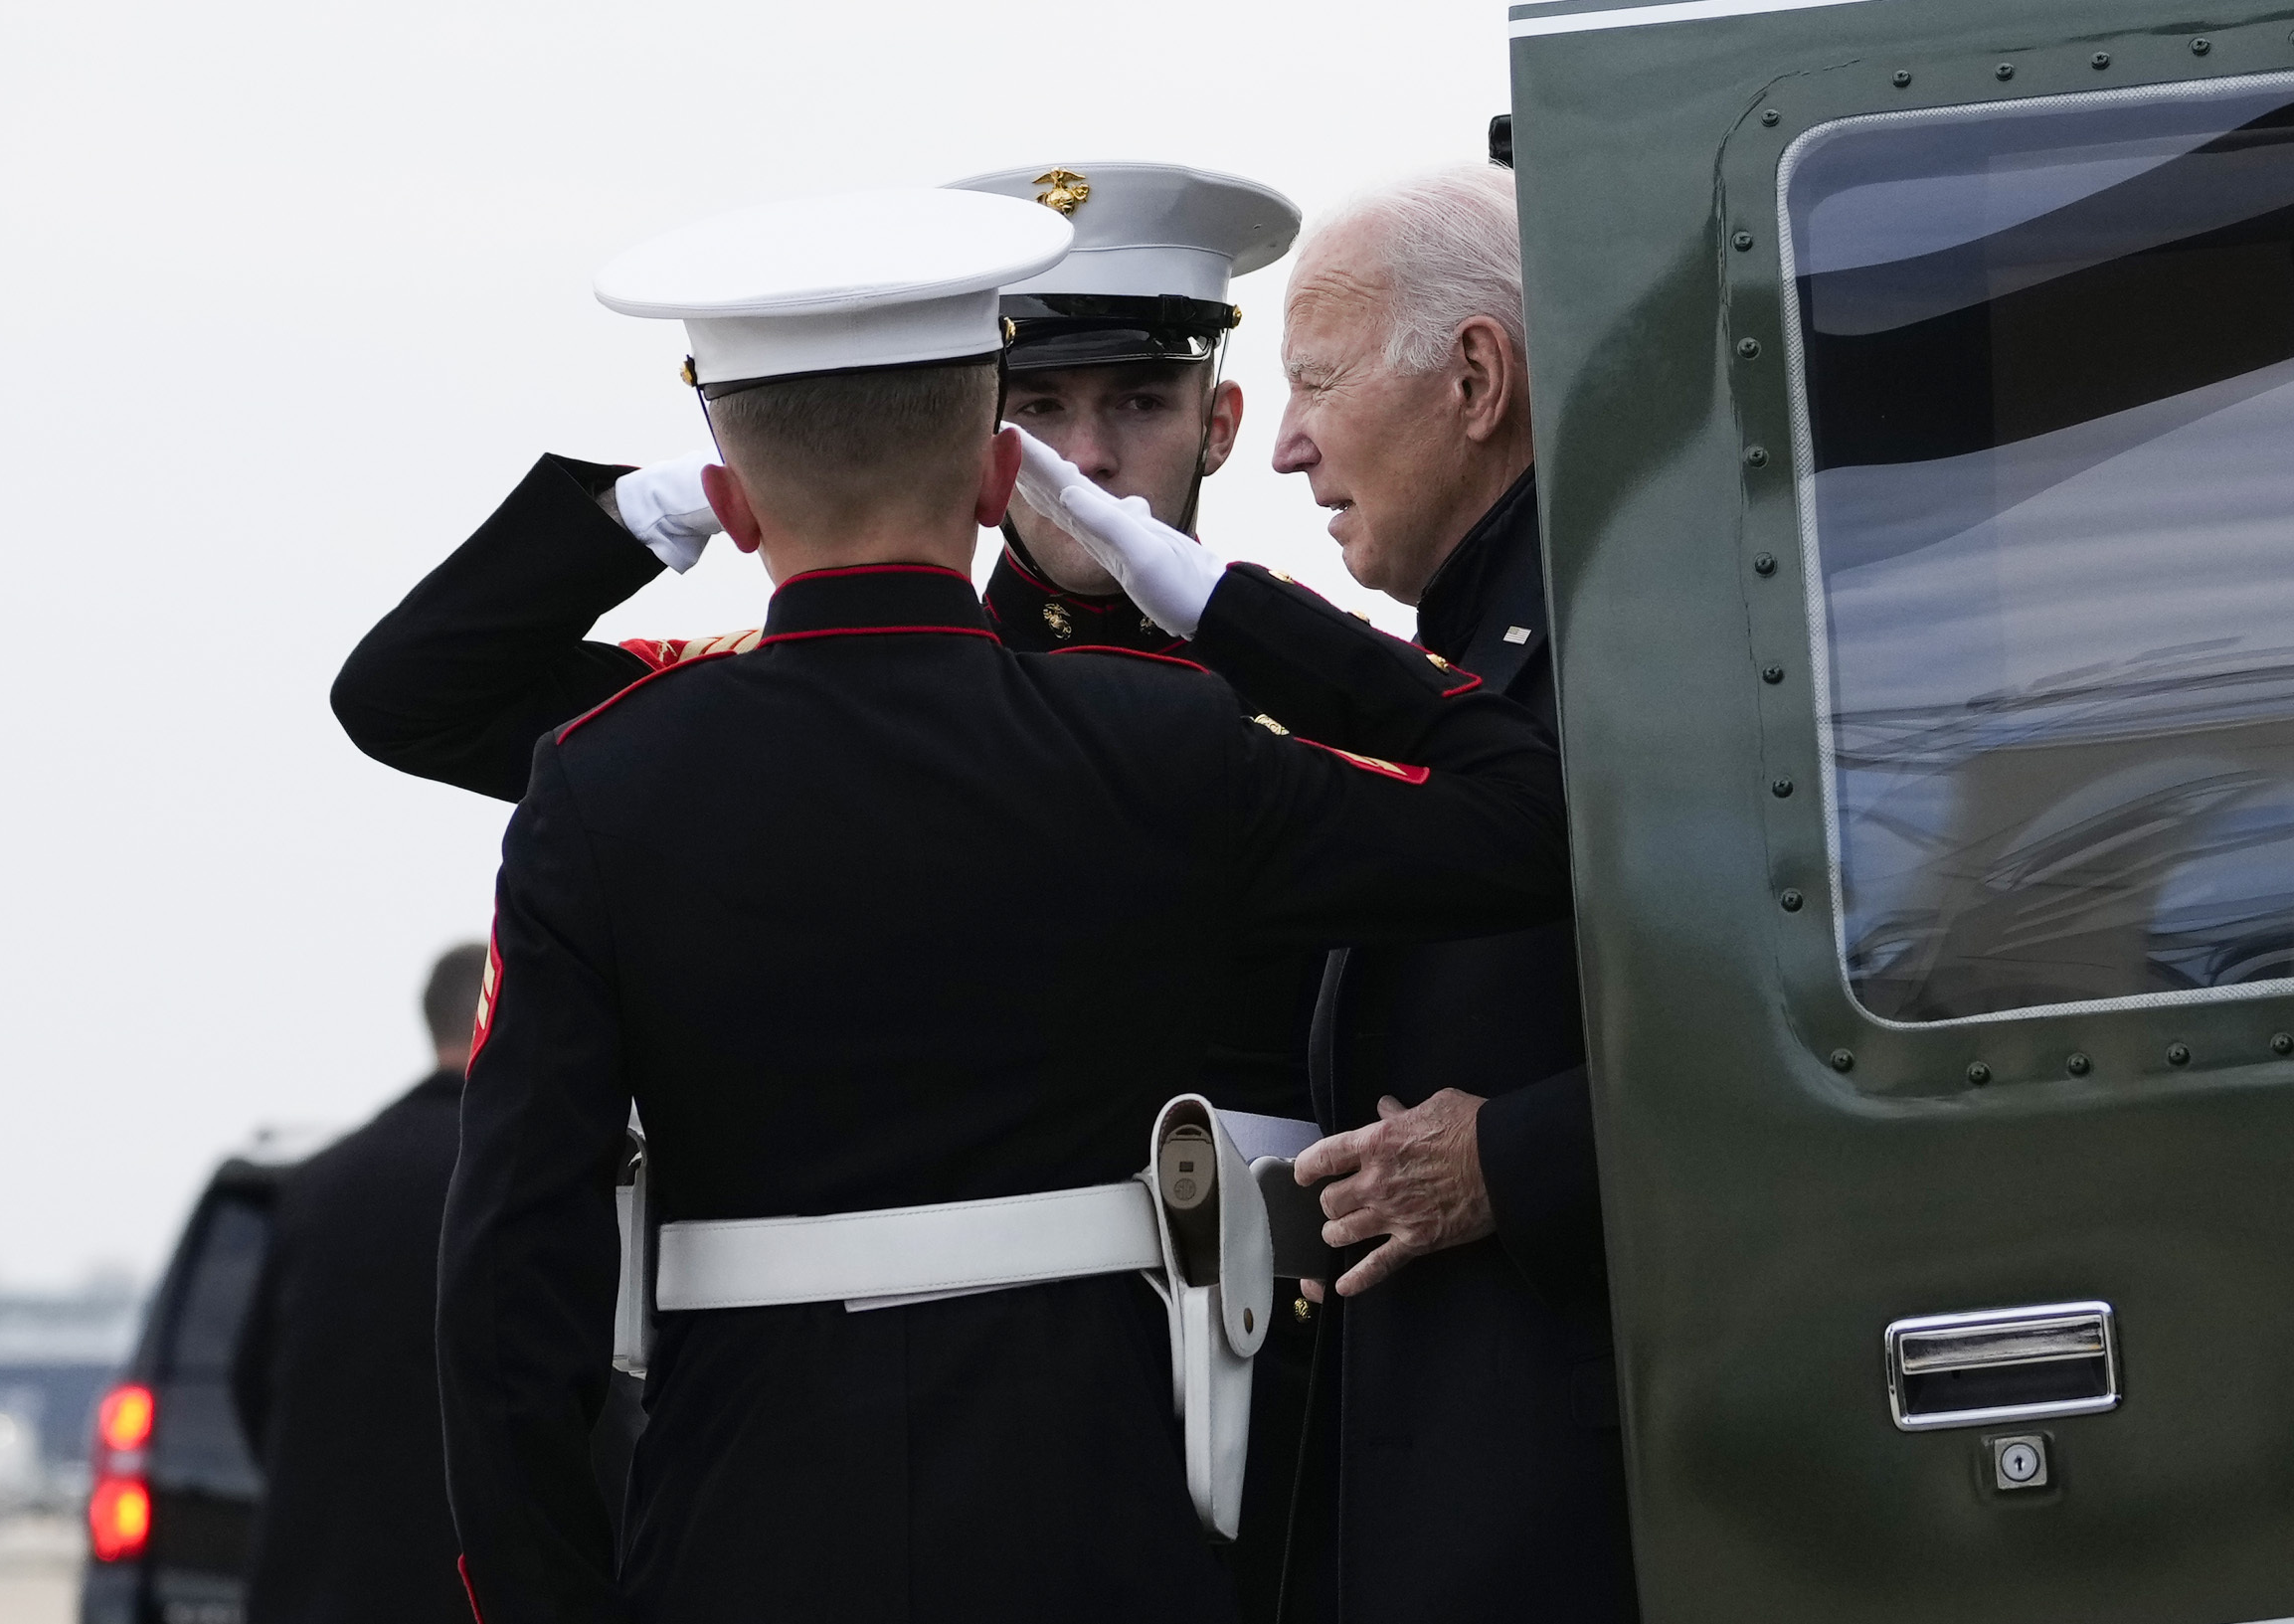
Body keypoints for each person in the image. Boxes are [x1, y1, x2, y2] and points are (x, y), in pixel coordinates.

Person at [435, 185, 1573, 1623]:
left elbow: (509, 1288)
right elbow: (1528, 818)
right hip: (1099, 1515)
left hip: (743, 1522)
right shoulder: (1160, 739)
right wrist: (1214, 600)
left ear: (726, 491)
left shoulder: (602, 783)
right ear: (999, 478)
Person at [1270, 164, 1637, 1621]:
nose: (1289, 447)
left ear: (1475, 377)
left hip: (1587, 1507)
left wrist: (1517, 1160)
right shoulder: (1472, 658)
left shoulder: (1622, 647)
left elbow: (1804, 1021)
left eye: (1317, 382)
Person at [228, 945, 487, 1624]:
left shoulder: (321, 1180)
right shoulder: (511, 1178)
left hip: (311, 1585)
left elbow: (249, 1378)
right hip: (460, 1588)